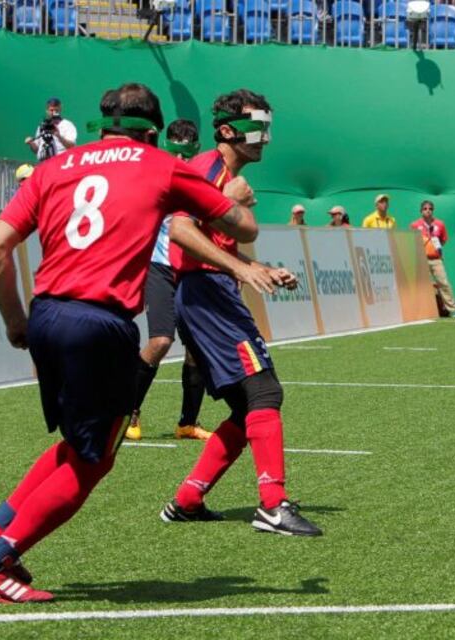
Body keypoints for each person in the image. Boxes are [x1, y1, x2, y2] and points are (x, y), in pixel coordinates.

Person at [0, 82, 265, 603]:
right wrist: (232, 199)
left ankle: (0, 537)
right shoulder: (163, 165)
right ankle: (2, 553)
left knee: (75, 446)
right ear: (155, 126)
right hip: (100, 322)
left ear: (102, 120)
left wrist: (14, 318)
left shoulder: (53, 168)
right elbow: (242, 227)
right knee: (94, 460)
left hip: (48, 314)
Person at [161, 89, 323, 537]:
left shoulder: (229, 178)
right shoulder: (207, 171)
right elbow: (180, 230)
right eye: (257, 129)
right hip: (205, 294)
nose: (265, 139)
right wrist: (239, 266)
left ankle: (188, 499)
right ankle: (273, 504)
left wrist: (256, 268)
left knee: (243, 406)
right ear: (228, 130)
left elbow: (216, 241)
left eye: (268, 128)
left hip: (211, 291)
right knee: (265, 392)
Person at [127, 118, 212, 442]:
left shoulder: (204, 182)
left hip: (191, 270)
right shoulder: (152, 178)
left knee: (197, 350)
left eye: (187, 154)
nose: (181, 161)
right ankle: (128, 411)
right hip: (159, 267)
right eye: (175, 152)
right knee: (160, 341)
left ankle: (187, 423)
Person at [410, 200, 455, 316]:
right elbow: (411, 241)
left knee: (444, 283)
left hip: (436, 259)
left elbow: (443, 240)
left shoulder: (440, 224)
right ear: (421, 211)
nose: (428, 211)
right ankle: (418, 311)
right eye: (425, 209)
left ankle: (453, 310)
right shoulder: (415, 225)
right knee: (419, 285)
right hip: (421, 259)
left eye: (430, 209)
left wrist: (434, 249)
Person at [25, 98, 77, 163]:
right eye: (51, 110)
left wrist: (59, 136)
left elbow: (72, 146)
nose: (54, 113)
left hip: (61, 163)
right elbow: (37, 150)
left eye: (56, 110)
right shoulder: (42, 126)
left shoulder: (67, 125)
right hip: (45, 165)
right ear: (47, 110)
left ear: (60, 109)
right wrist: (31, 143)